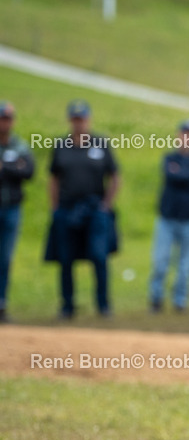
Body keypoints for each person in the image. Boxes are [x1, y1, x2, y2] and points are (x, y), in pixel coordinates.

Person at [45, 100, 119, 319]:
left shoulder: (100, 144)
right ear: (70, 120)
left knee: (99, 256)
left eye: (83, 119)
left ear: (89, 119)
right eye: (76, 119)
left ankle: (103, 305)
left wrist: (107, 204)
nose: (79, 123)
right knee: (66, 258)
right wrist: (55, 206)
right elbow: (53, 178)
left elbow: (115, 176)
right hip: (67, 208)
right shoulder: (61, 145)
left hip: (95, 208)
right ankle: (67, 306)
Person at [149, 120, 189, 313]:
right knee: (161, 261)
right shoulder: (170, 158)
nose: (188, 138)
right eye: (185, 134)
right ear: (179, 136)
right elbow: (173, 176)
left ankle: (180, 301)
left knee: (186, 265)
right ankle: (156, 300)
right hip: (168, 218)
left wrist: (184, 176)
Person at [0, 101, 35, 323]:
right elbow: (20, 169)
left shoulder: (19, 146)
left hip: (11, 207)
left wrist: (4, 167)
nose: (4, 123)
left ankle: (1, 303)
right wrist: (14, 168)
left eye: (8, 118)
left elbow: (28, 170)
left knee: (4, 258)